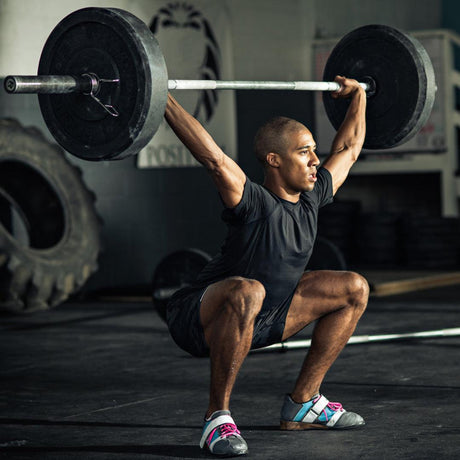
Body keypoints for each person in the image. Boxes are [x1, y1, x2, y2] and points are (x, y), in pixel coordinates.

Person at [164, 75, 369, 457]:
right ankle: (216, 419)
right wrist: (161, 97)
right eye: (303, 152)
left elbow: (350, 147)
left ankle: (304, 403)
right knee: (249, 290)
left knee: (354, 287)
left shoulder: (312, 196)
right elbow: (212, 157)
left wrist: (358, 95)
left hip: (265, 318)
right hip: (198, 318)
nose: (314, 160)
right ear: (274, 160)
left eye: (313, 151)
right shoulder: (253, 201)